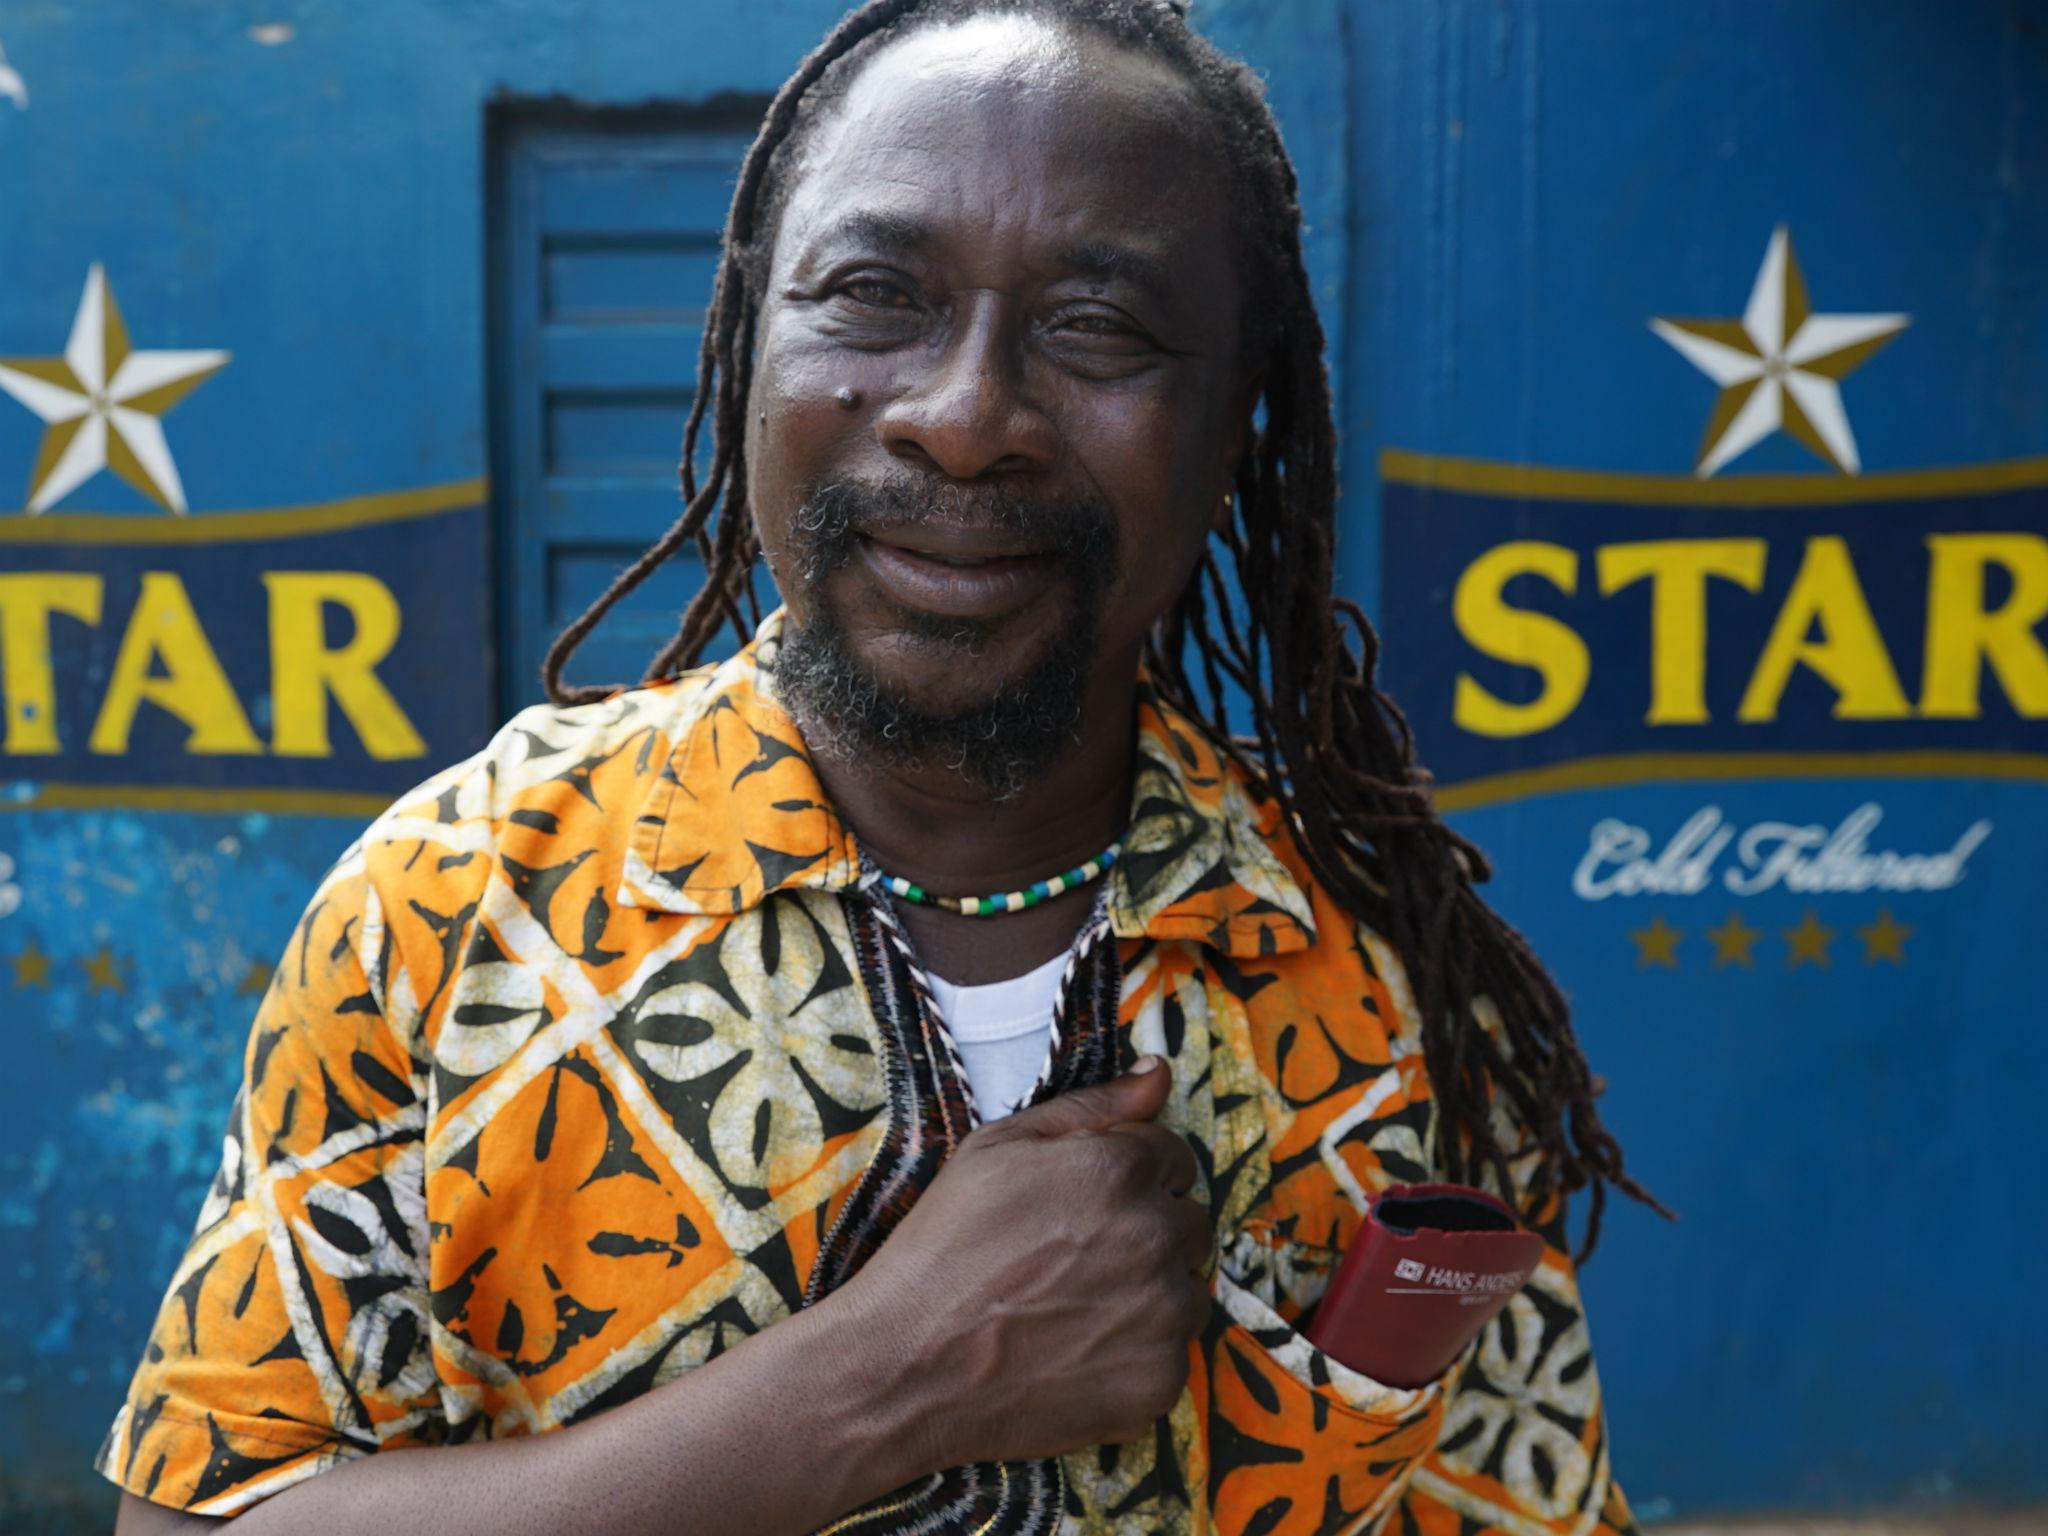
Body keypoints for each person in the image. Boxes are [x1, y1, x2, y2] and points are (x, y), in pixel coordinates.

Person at [103, 1, 1662, 1531]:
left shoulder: (1383, 986)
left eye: (1099, 327)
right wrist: (885, 1380)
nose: (968, 416)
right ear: (748, 338)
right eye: (872, 295)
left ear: (1237, 425)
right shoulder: (453, 908)